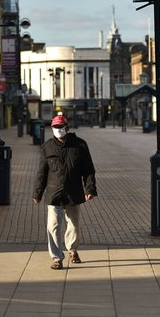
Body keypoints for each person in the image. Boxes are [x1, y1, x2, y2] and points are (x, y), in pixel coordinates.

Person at [33, 114, 98, 270]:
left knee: (74, 225)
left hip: (74, 192)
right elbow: (42, 172)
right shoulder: (47, 147)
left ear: (67, 128)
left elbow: (88, 169)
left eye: (60, 127)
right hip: (54, 193)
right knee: (53, 226)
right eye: (55, 127)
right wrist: (38, 193)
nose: (58, 130)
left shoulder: (80, 145)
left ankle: (72, 249)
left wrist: (90, 188)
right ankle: (56, 258)